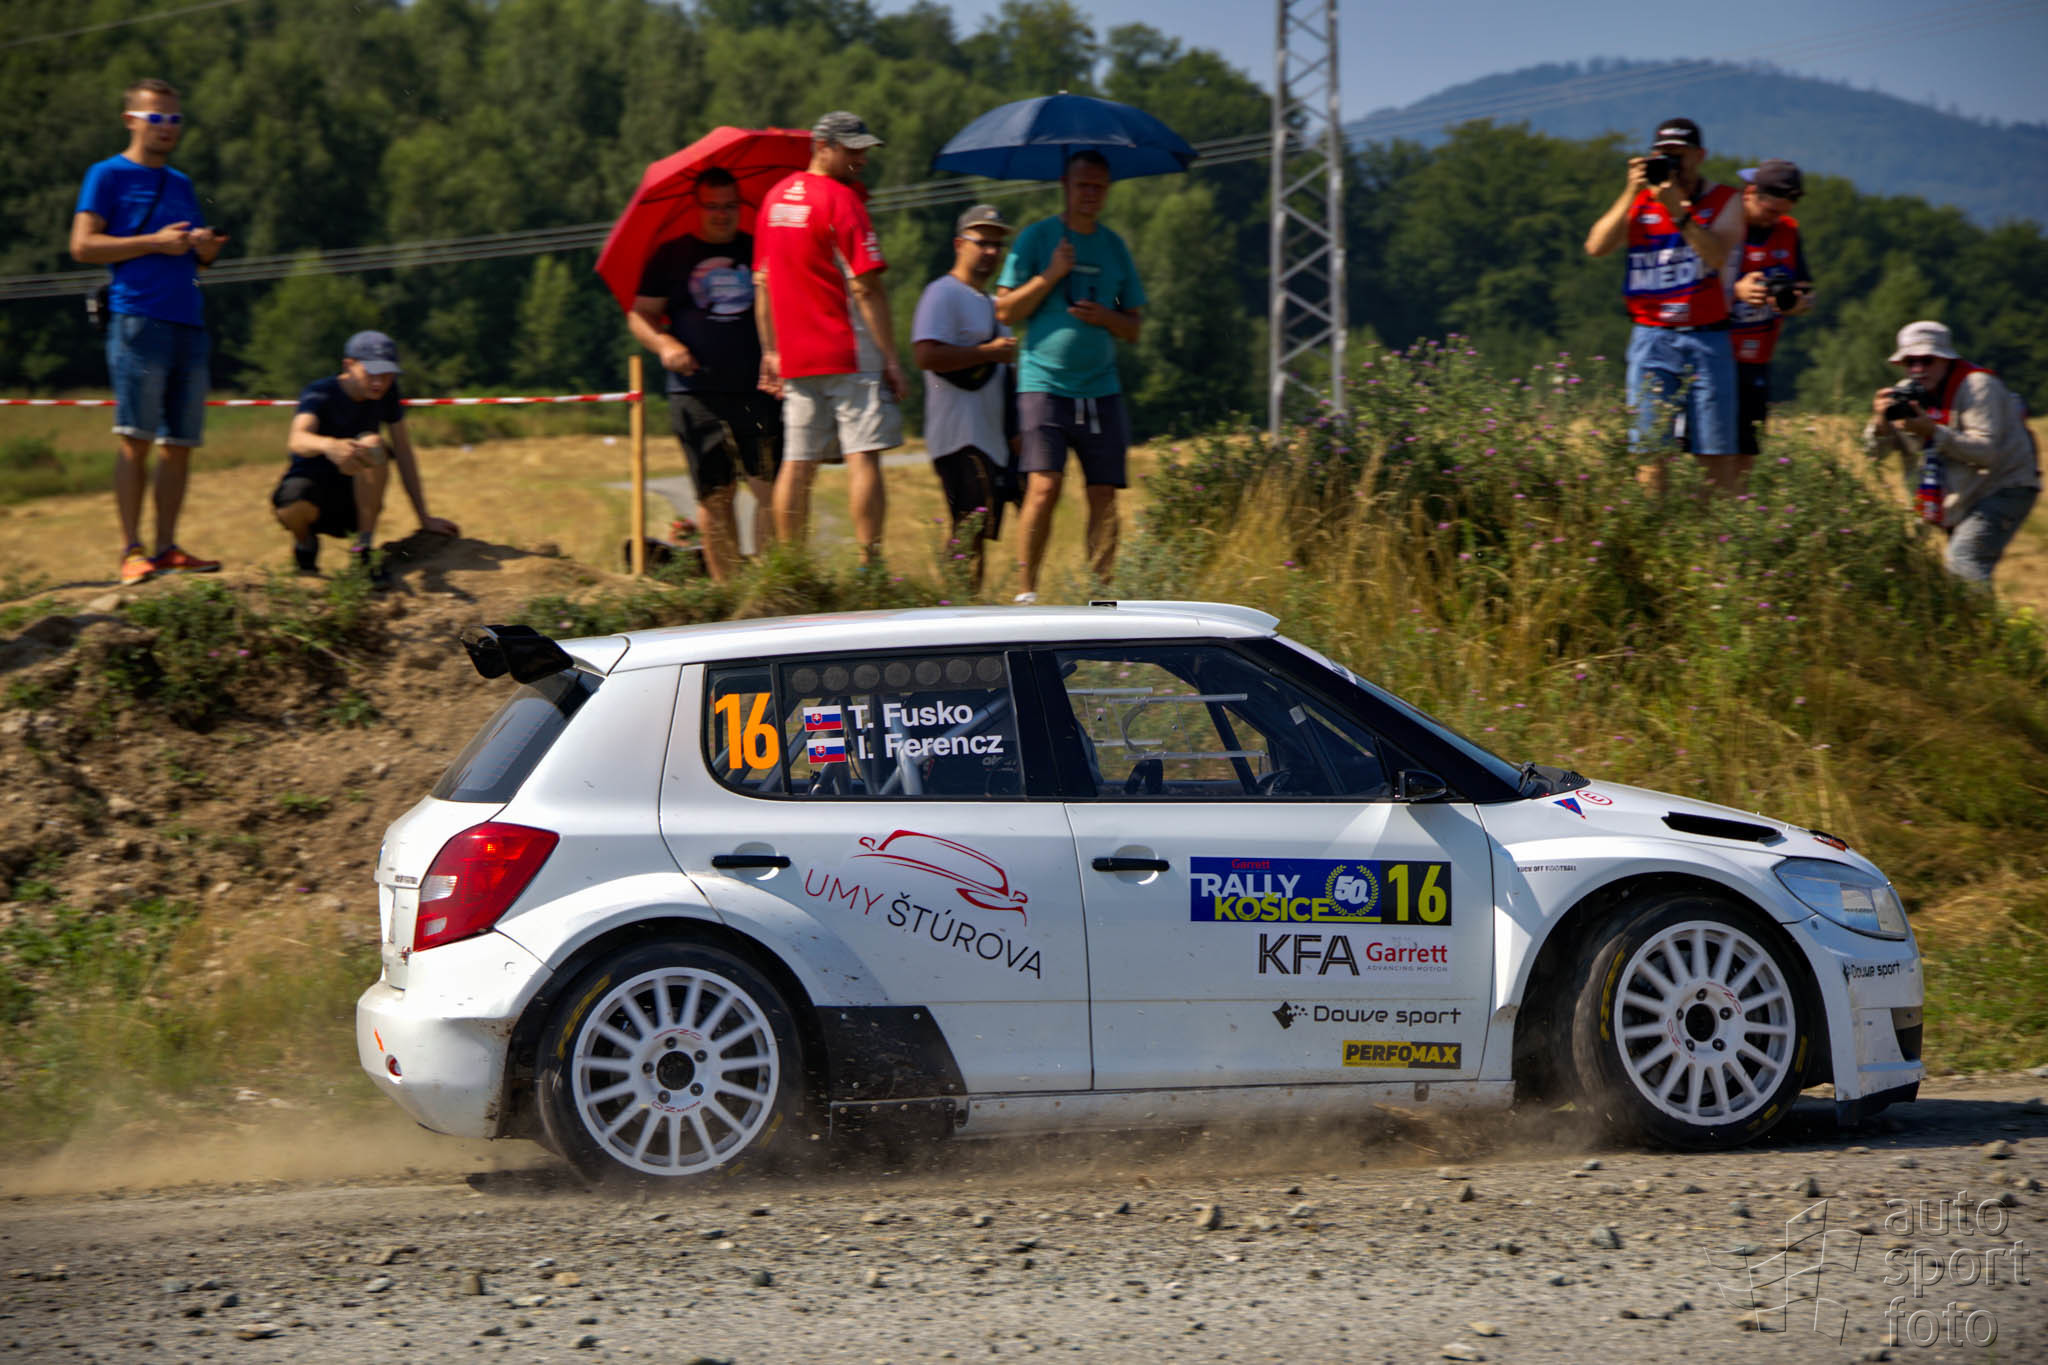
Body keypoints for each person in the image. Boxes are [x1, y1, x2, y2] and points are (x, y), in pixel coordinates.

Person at [69, 78, 229, 586]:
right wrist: (154, 243)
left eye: (174, 119)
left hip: (189, 321)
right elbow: (83, 246)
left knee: (179, 444)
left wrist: (205, 249)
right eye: (156, 118)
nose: (167, 128)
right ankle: (131, 550)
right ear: (131, 120)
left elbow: (190, 256)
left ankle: (166, 547)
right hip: (138, 320)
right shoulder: (106, 175)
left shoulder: (180, 183)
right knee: (134, 439)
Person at [995, 151, 1145, 603]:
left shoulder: (1114, 246)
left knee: (1104, 493)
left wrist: (1106, 316)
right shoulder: (1037, 238)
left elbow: (1133, 327)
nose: (1090, 194)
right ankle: (1026, 594)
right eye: (1083, 185)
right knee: (1044, 486)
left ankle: (1102, 596)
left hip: (1101, 387)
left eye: (1099, 186)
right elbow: (1005, 310)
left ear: (1108, 190)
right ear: (1065, 185)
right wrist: (1051, 274)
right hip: (1044, 383)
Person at [755, 111, 905, 563]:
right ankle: (869, 564)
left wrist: (770, 351)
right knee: (864, 456)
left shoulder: (773, 200)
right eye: (853, 150)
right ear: (823, 147)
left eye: (864, 150)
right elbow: (866, 287)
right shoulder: (843, 200)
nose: (862, 159)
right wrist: (890, 357)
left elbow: (762, 285)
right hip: (848, 349)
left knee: (797, 461)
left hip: (796, 356)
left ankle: (789, 566)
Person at [628, 167, 780, 583]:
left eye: (730, 205)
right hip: (695, 390)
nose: (721, 214)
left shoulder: (758, 249)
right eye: (712, 206)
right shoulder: (671, 255)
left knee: (771, 489)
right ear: (697, 207)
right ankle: (727, 590)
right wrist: (665, 345)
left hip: (758, 388)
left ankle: (768, 586)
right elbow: (640, 315)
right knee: (716, 494)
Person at [1584, 117, 1745, 492]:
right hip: (1652, 337)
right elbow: (1596, 246)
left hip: (1707, 337)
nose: (1672, 164)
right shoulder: (1641, 201)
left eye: (1679, 155)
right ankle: (1654, 524)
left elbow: (1717, 257)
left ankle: (1716, 528)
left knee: (1714, 450)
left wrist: (1679, 213)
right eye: (1663, 155)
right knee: (1650, 449)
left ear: (1699, 156)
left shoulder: (1725, 200)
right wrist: (1631, 191)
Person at [270, 332, 459, 588]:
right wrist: (329, 446)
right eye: (371, 372)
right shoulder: (319, 392)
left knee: (373, 444)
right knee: (289, 503)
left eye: (387, 374)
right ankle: (305, 544)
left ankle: (363, 551)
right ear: (348, 365)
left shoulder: (388, 394)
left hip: (357, 502)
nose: (379, 382)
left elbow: (404, 452)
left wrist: (424, 517)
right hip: (311, 496)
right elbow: (297, 439)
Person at [1865, 320, 2040, 585]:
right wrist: (1881, 422)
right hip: (1960, 493)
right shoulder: (1905, 394)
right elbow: (1873, 454)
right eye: (1910, 361)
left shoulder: (1978, 386)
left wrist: (1933, 431)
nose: (1918, 369)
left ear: (1946, 359)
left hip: (2003, 486)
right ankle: (1970, 613)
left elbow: (1985, 453)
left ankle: (1976, 614)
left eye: (1927, 360)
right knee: (1946, 574)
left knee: (1964, 561)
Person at [912, 204, 1019, 592]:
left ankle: (964, 601)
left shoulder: (993, 305)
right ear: (959, 244)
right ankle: (955, 603)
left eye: (997, 245)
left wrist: (1015, 431)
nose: (991, 252)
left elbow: (1005, 376)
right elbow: (925, 355)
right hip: (957, 436)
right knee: (968, 526)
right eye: (982, 242)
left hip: (991, 437)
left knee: (977, 530)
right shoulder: (941, 294)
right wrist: (986, 352)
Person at [1727, 160, 1815, 470]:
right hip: (1714, 354)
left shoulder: (1787, 231)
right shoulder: (1722, 226)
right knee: (1705, 448)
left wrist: (1799, 303)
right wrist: (1736, 291)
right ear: (1750, 193)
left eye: (1782, 212)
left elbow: (1805, 288)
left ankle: (1735, 502)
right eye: (1769, 211)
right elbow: (1689, 286)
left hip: (1757, 360)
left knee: (1746, 450)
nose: (1774, 218)